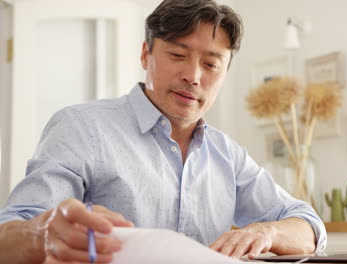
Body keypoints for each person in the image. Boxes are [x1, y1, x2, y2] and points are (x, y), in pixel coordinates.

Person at [0, 0, 326, 263]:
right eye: (177, 55)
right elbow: (8, 236)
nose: (193, 76)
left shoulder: (227, 154)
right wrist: (43, 233)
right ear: (146, 54)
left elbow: (308, 225)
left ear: (224, 73)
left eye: (211, 64)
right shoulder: (81, 128)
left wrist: (267, 232)